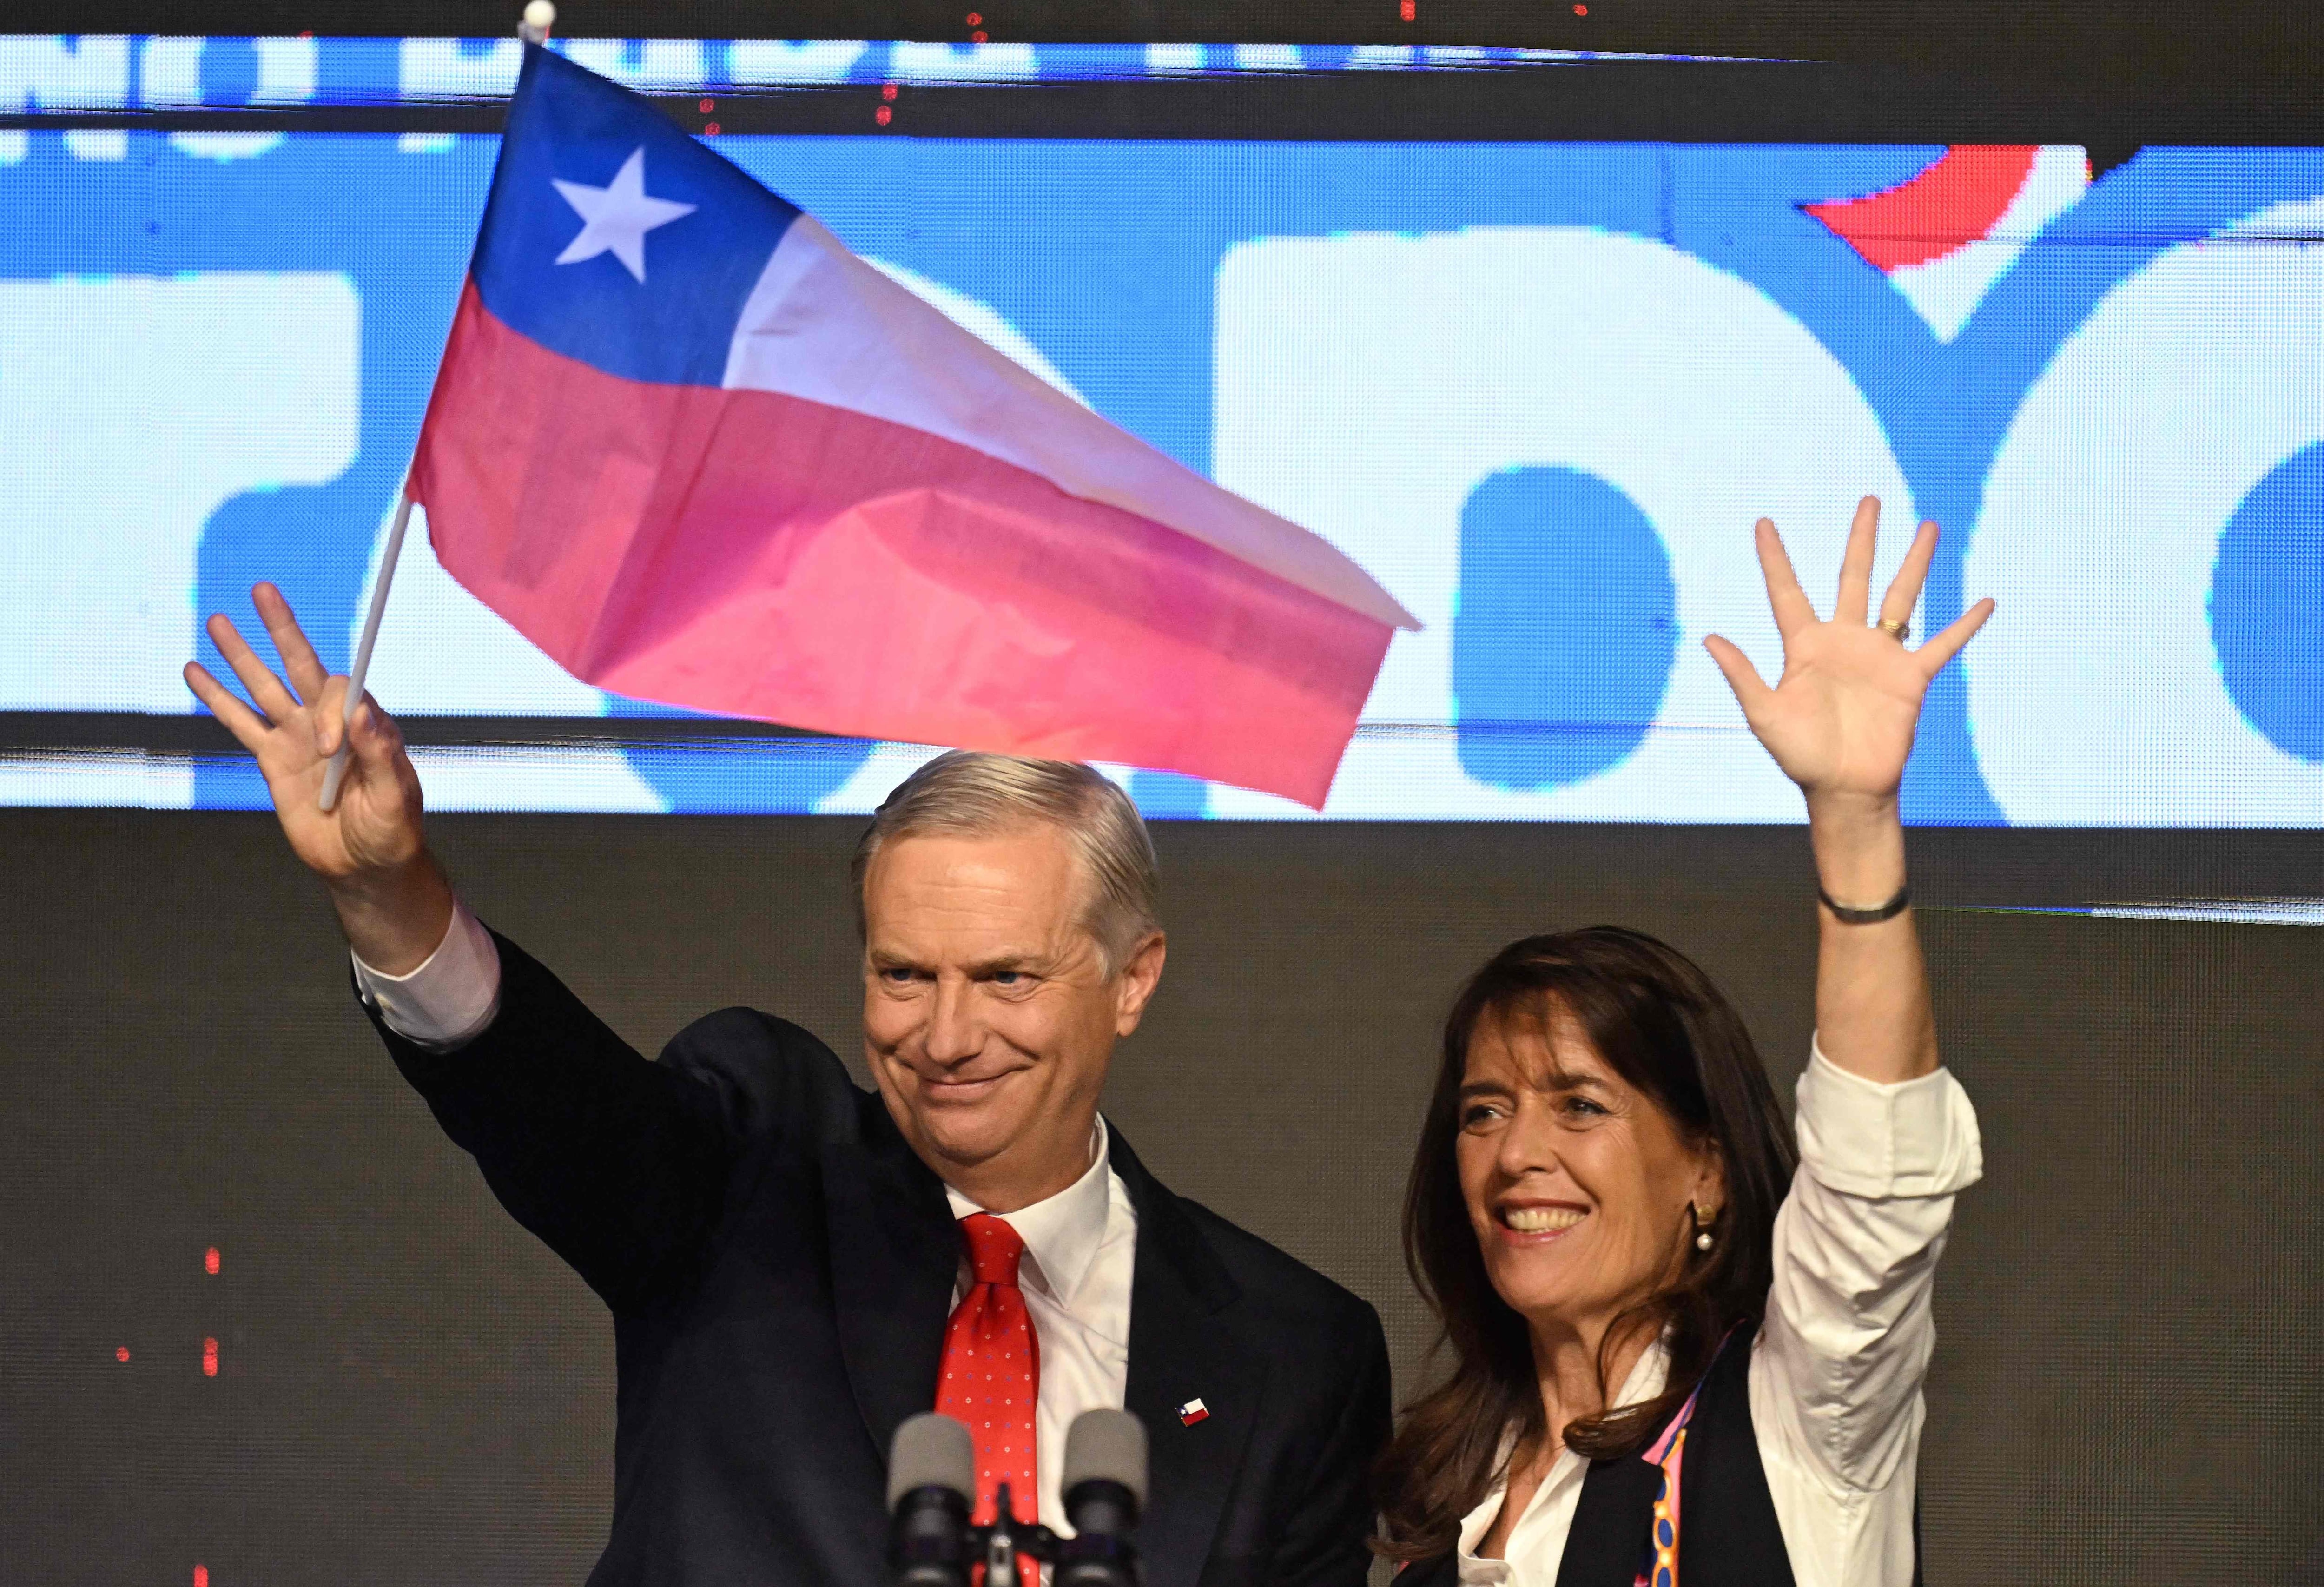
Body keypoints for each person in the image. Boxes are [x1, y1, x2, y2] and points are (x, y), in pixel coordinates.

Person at [183, 601, 1391, 1587]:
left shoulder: (1293, 1353)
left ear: (1133, 979)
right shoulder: (751, 1177)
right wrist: (391, 895)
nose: (947, 1036)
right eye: (904, 974)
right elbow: (564, 1114)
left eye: (1006, 977)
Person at [1374, 500, 1994, 1587]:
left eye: (1579, 1104)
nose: (1515, 1152)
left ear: (1704, 1170)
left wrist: (1854, 823)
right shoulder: (1445, 1523)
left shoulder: (1798, 1420)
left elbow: (1876, 1183)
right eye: (1483, 1110)